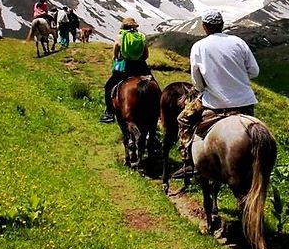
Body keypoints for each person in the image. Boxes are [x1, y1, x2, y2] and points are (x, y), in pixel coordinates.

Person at [172, 9, 260, 179]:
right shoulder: (238, 42)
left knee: (183, 119)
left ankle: (189, 163)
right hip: (245, 103)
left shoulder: (199, 47)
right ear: (222, 25)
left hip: (216, 105)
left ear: (204, 27)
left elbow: (197, 83)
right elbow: (254, 71)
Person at [101, 17, 152, 123]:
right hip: (141, 67)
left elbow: (115, 50)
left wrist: (116, 58)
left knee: (108, 87)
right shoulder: (141, 36)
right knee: (154, 86)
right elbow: (146, 55)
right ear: (134, 26)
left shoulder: (120, 36)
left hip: (125, 67)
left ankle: (109, 113)